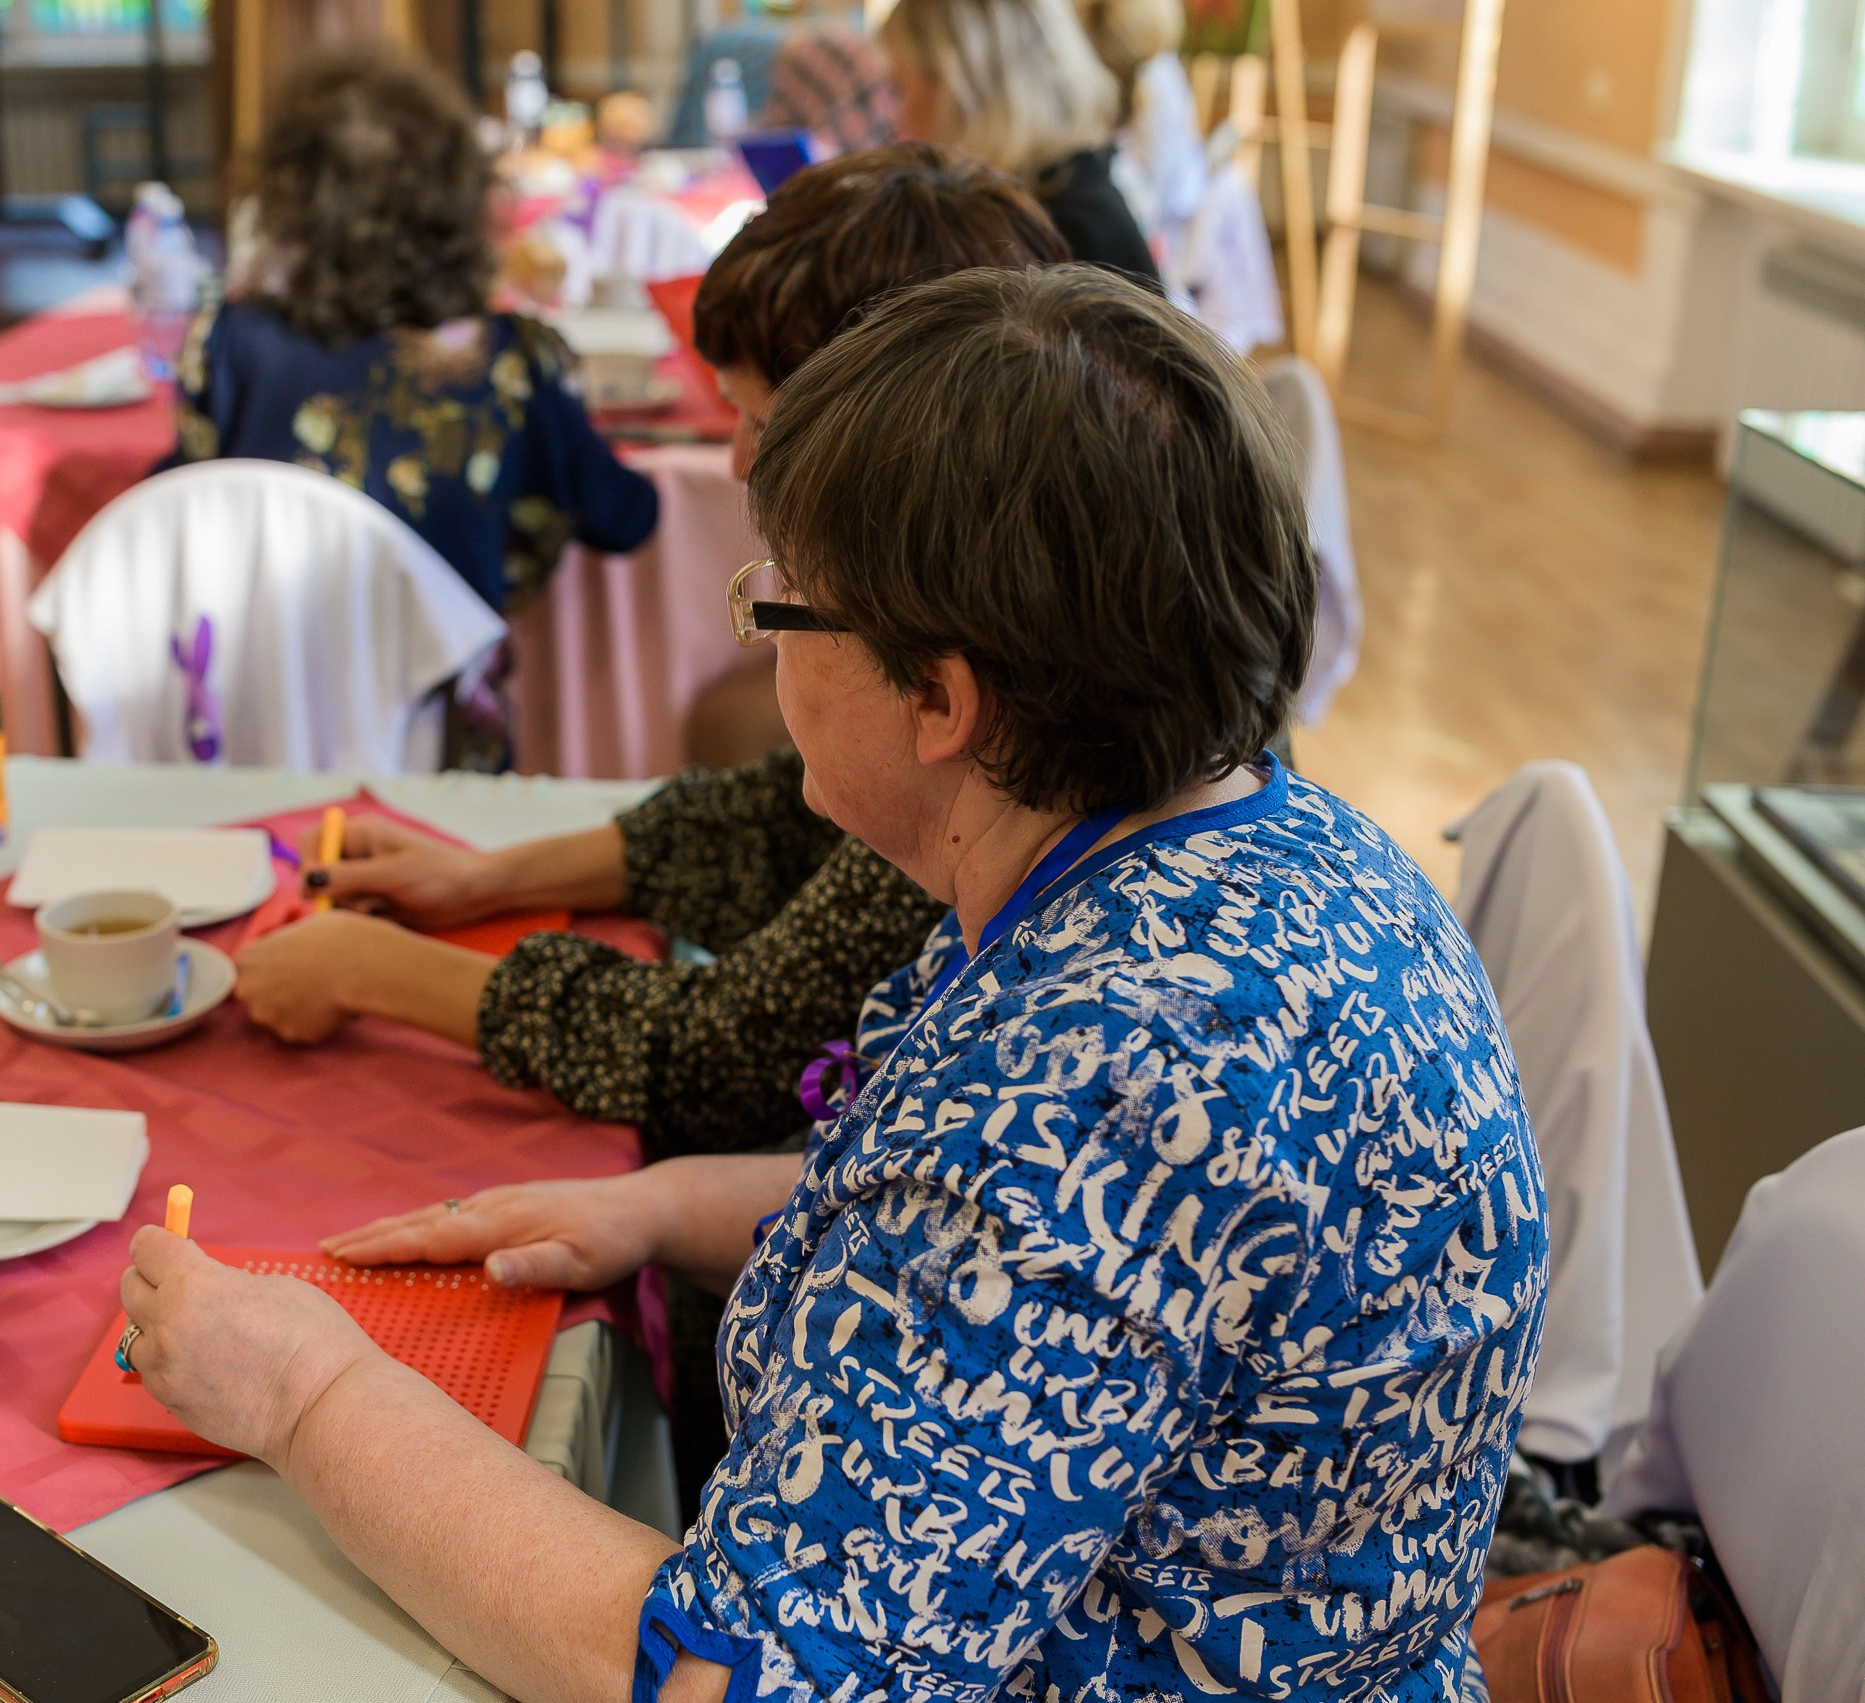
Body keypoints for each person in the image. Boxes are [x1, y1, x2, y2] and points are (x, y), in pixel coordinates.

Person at [118, 266, 1546, 1702]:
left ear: (940, 698)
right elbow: (1074, 1276)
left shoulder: (1095, 1079)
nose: (765, 640)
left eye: (781, 606)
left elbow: (734, 1680)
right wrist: (662, 1203)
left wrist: (306, 1390)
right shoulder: (1283, 853)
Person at [232, 146, 1069, 1506]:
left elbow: (755, 1615)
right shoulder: (1064, 820)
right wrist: (486, 881)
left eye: (778, 608)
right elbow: (770, 821)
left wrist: (309, 1396)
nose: (735, 456)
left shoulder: (1045, 967)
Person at [164, 48, 657, 614]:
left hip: (276, 664)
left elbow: (177, 508)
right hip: (449, 669)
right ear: (460, 198)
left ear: (286, 199)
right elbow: (625, 519)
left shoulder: (230, 341)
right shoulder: (514, 357)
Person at [882, 0, 1162, 282]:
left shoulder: (1062, 232)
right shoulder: (1057, 197)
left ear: (963, 90)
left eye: (900, 88)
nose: (899, 120)